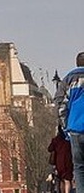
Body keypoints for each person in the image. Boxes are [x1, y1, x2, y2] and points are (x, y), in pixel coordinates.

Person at [58, 51, 84, 191]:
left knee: (79, 168)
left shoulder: (68, 79)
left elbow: (61, 104)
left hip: (75, 128)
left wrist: (65, 126)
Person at [48, 124, 73, 193]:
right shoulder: (69, 139)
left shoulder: (56, 140)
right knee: (67, 180)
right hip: (68, 161)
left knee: (61, 180)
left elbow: (49, 149)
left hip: (59, 163)